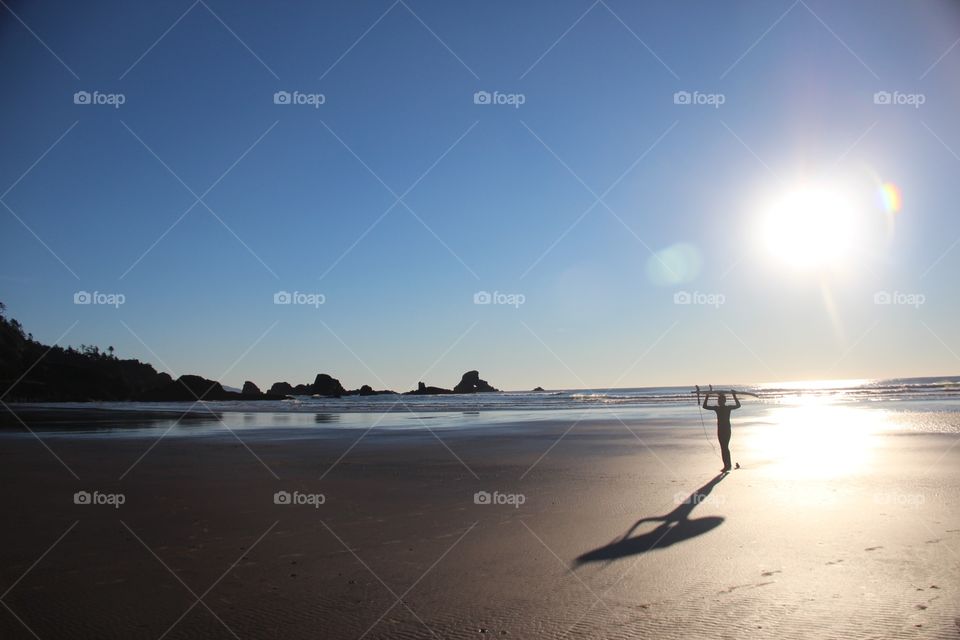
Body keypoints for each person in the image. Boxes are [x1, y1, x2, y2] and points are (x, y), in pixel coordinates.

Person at [701, 385, 740, 472]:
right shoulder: (720, 408)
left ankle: (727, 466)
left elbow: (738, 405)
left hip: (725, 430)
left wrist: (734, 395)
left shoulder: (724, 408)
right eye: (718, 400)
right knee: (724, 447)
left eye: (720, 400)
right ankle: (727, 465)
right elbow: (705, 407)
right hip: (721, 429)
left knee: (725, 447)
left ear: (724, 401)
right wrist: (707, 396)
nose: (719, 402)